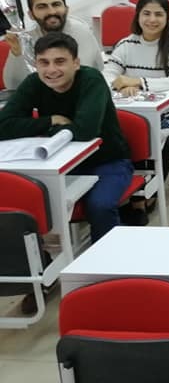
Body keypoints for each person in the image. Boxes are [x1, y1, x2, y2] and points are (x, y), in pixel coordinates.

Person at [0, 32, 132, 244]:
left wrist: (42, 130)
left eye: (60, 61)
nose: (51, 70)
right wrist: (49, 121)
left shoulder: (91, 80)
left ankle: (108, 256)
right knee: (23, 203)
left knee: (100, 206)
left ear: (76, 63)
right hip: (56, 164)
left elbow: (85, 131)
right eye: (44, 62)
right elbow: (3, 126)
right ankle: (40, 260)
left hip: (107, 162)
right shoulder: (34, 82)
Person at [104, 0, 169, 180]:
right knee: (121, 138)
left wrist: (137, 82)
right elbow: (107, 75)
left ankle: (152, 191)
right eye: (146, 13)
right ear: (138, 16)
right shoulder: (125, 44)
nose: (152, 20)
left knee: (158, 139)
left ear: (167, 17)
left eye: (159, 14)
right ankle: (131, 185)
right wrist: (120, 86)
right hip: (138, 111)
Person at [3, 0, 103, 89]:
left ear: (66, 9)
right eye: (42, 7)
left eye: (56, 4)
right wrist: (17, 53)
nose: (51, 12)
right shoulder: (27, 39)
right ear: (31, 15)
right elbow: (13, 86)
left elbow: (85, 76)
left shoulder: (81, 32)